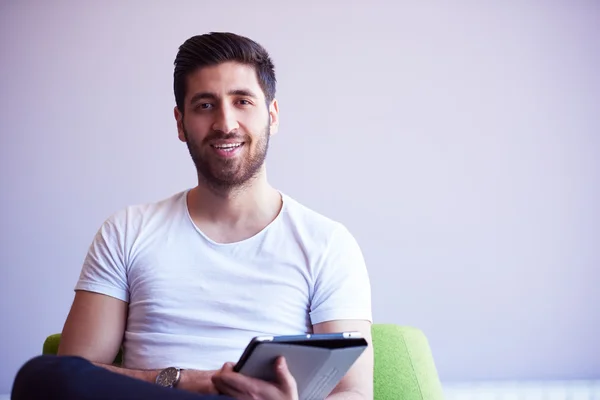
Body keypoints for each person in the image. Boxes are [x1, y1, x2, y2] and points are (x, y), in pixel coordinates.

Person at [11, 32, 373, 400]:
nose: (225, 123)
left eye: (242, 101)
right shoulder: (127, 230)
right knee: (41, 374)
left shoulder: (327, 243)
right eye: (204, 105)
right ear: (180, 123)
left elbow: (354, 393)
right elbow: (73, 374)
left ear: (272, 115)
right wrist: (183, 380)